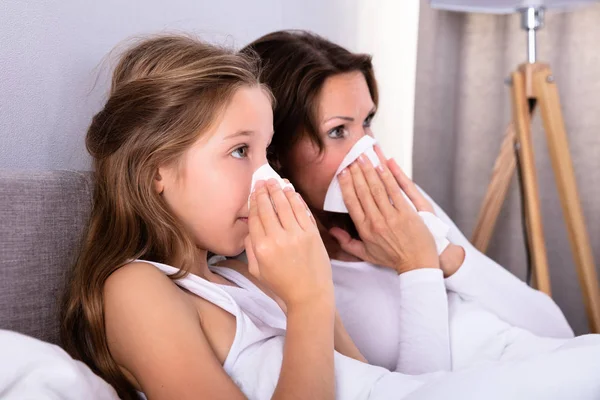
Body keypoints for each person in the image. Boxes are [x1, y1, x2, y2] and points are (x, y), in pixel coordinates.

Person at [59, 34, 600, 400]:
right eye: (240, 152)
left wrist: (428, 257)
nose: (268, 180)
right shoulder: (136, 287)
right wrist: (312, 295)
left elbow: (377, 382)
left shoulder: (244, 275)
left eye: (264, 152)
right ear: (159, 169)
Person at [241, 30, 583, 374]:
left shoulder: (402, 209)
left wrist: (442, 251)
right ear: (276, 151)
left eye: (367, 123)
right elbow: (416, 389)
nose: (368, 149)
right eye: (338, 131)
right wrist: (417, 265)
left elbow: (557, 331)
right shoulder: (288, 273)